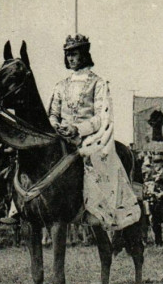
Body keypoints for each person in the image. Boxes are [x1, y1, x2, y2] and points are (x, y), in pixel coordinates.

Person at [48, 34, 140, 231]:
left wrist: (78, 129)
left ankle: (99, 210)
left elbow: (101, 116)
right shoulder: (60, 85)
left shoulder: (98, 83)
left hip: (88, 137)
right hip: (61, 137)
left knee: (95, 161)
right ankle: (24, 206)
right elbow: (53, 113)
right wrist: (57, 125)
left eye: (75, 54)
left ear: (84, 55)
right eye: (68, 55)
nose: (71, 58)